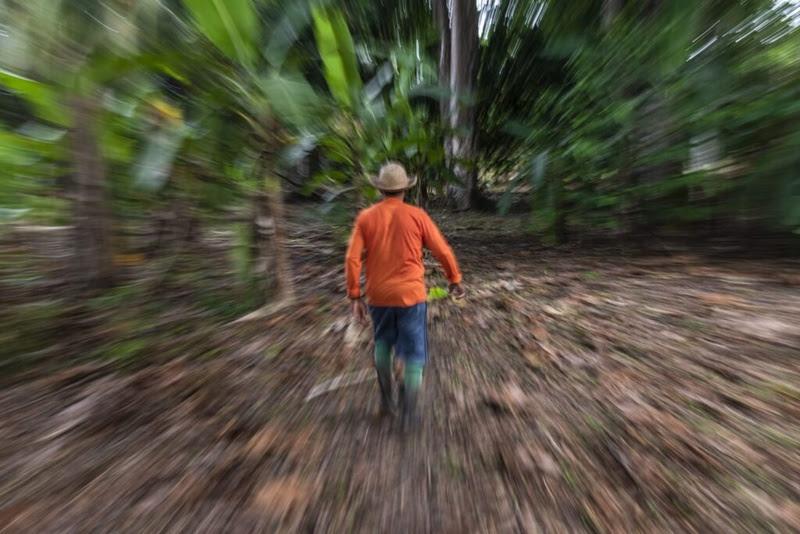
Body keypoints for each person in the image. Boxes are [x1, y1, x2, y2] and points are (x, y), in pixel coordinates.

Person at [345, 162, 465, 430]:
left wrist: (355, 296)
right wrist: (454, 279)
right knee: (413, 352)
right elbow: (442, 251)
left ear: (381, 190)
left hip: (378, 296)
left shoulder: (366, 218)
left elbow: (352, 258)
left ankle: (388, 404)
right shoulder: (417, 215)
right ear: (404, 190)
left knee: (383, 343)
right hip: (411, 296)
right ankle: (410, 414)